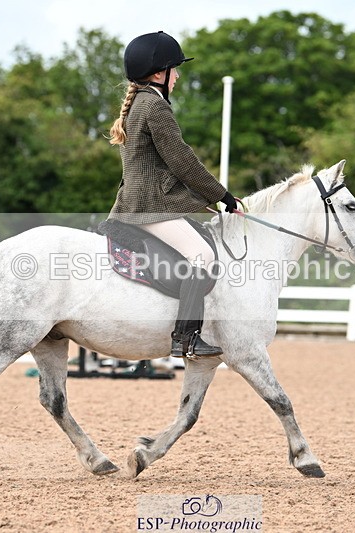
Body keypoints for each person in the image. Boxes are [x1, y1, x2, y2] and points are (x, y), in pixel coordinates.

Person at [107, 31, 237, 358]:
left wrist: (200, 199)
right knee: (203, 257)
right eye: (174, 70)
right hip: (150, 207)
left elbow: (162, 167)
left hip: (134, 202)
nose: (177, 76)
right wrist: (222, 195)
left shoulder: (140, 102)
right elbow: (182, 160)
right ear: (158, 73)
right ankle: (186, 337)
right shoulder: (155, 105)